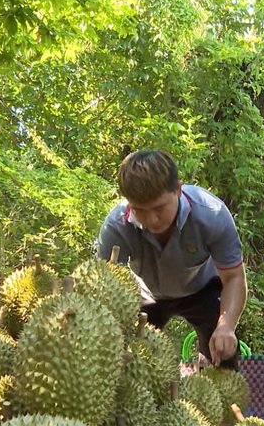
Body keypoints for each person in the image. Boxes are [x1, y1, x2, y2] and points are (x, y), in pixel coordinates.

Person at [96, 149, 247, 367]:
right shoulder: (116, 226)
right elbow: (105, 286)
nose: (152, 219)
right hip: (145, 293)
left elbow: (234, 278)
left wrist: (226, 325)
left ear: (177, 189)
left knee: (223, 357)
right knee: (127, 361)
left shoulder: (211, 213)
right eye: (140, 210)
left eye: (159, 208)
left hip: (203, 289)